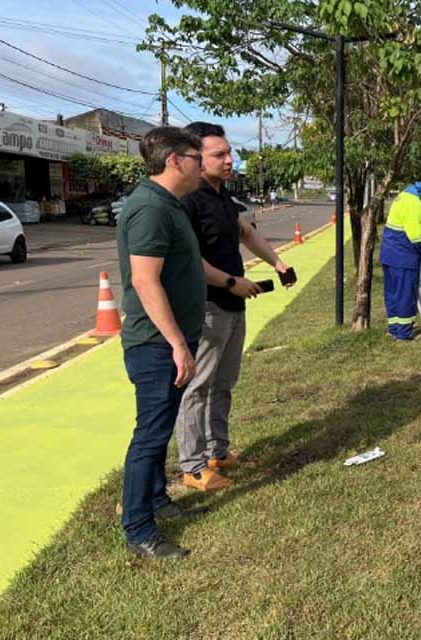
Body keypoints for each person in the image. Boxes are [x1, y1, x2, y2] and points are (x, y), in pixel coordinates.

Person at [175, 122, 294, 492]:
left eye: (229, 153)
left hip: (233, 305)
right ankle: (193, 467)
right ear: (195, 157)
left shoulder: (222, 198)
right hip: (207, 307)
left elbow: (247, 232)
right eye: (219, 155)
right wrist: (231, 282)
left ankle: (217, 451)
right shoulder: (189, 200)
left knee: (224, 382)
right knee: (198, 386)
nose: (229, 160)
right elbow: (189, 260)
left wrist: (277, 262)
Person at [116, 126, 206, 559]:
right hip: (155, 345)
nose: (201, 165)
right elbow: (145, 280)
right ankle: (138, 530)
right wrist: (177, 343)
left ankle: (155, 499)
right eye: (196, 157)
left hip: (169, 341)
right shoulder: (150, 208)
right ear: (174, 160)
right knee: (150, 435)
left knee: (159, 428)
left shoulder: (171, 205)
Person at [380, 175, 421, 339]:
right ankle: (404, 333)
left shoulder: (403, 196)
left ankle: (394, 328)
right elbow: (415, 238)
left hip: (389, 254)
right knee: (406, 294)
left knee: (392, 293)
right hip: (404, 257)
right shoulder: (415, 204)